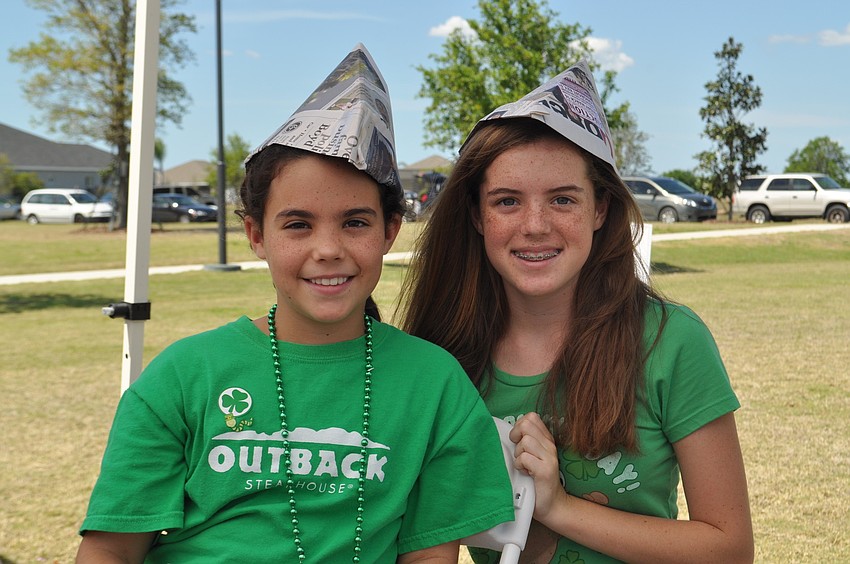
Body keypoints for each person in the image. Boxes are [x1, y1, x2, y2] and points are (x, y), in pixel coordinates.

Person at [76, 44, 514, 563]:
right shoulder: (182, 377)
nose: (327, 250)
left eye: (355, 222)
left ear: (389, 231)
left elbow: (430, 556)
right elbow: (111, 551)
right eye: (298, 225)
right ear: (257, 234)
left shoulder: (435, 387)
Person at [400, 60, 754, 563]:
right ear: (476, 215)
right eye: (507, 202)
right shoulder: (442, 358)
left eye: (563, 199)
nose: (536, 225)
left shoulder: (672, 342)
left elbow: (730, 549)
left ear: (600, 210)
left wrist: (558, 507)